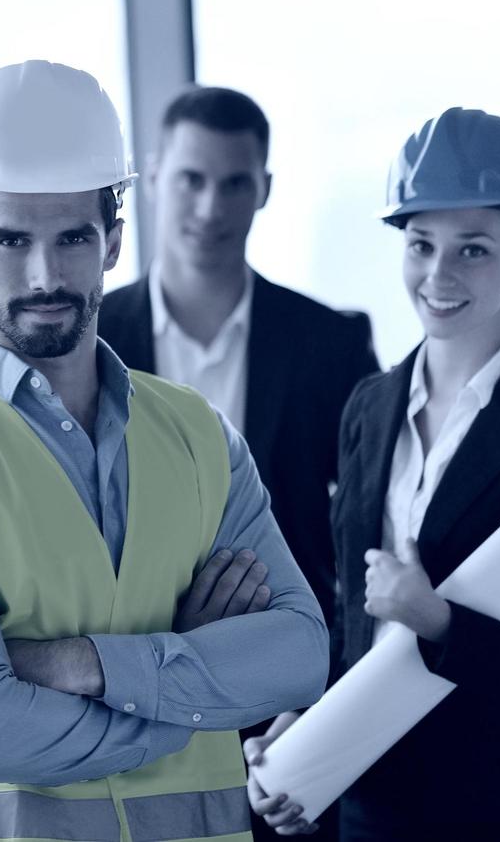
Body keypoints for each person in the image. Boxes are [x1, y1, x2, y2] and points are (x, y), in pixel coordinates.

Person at [0, 61, 329, 842]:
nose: (45, 275)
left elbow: (300, 654)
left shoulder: (200, 437)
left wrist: (74, 664)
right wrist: (189, 692)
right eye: (10, 241)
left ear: (112, 242)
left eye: (72, 237)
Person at [246, 107, 500, 840]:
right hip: (371, 800)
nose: (437, 275)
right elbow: (354, 617)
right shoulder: (369, 406)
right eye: (421, 246)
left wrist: (437, 621)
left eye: (471, 249)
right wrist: (309, 725)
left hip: (498, 806)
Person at [99, 86, 379, 630]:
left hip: (296, 670)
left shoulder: (331, 342)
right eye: (192, 180)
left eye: (235, 184)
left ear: (265, 189)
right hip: (129, 655)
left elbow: (372, 521)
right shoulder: (91, 336)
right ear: (152, 179)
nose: (211, 208)